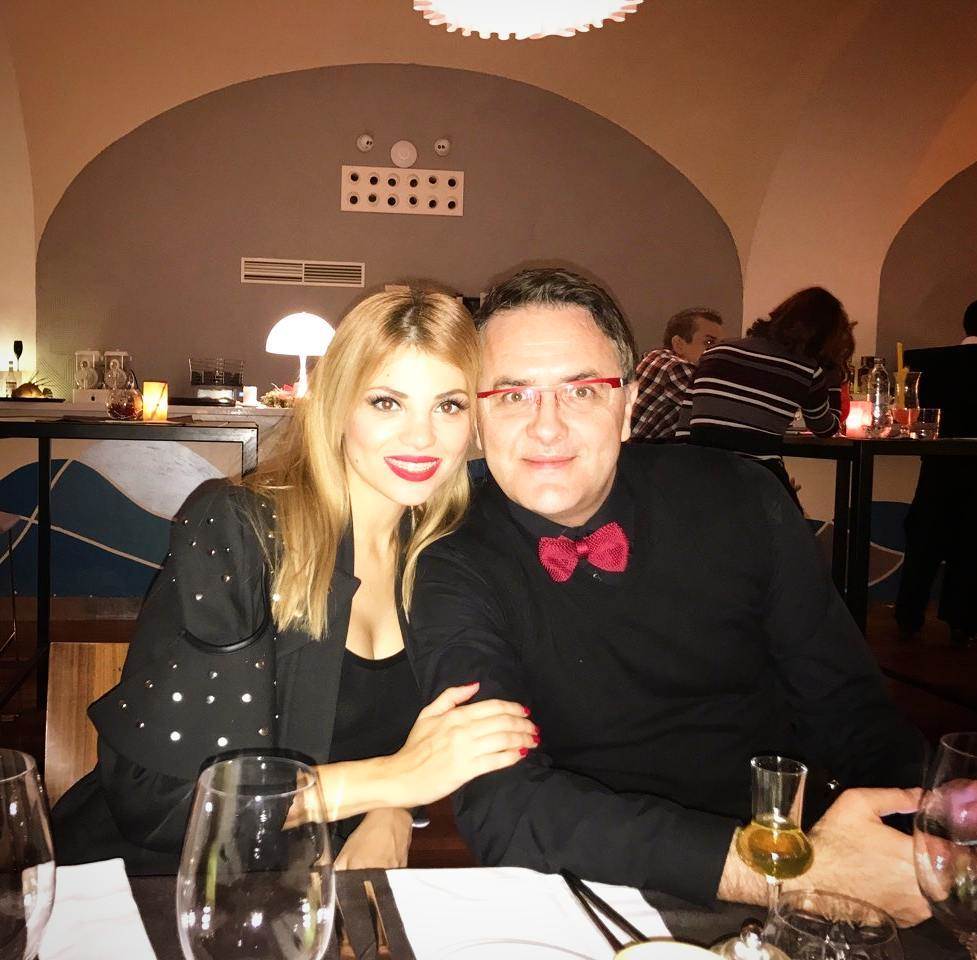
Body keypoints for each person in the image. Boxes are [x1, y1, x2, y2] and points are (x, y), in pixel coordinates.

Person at [408, 267, 929, 924]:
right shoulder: (450, 557)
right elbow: (504, 805)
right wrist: (779, 869)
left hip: (791, 848)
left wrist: (918, 828)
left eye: (581, 391)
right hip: (594, 884)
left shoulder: (741, 498)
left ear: (628, 406)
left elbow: (848, 707)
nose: (547, 428)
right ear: (478, 419)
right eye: (513, 395)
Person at [52, 289, 537, 873]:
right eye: (386, 402)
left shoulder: (443, 552)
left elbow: (415, 742)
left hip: (301, 883)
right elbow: (160, 802)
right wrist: (392, 783)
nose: (421, 437)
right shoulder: (241, 529)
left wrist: (391, 808)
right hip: (142, 885)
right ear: (337, 405)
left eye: (448, 405)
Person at [675, 287, 853, 503]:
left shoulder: (715, 353)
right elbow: (826, 428)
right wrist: (833, 378)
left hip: (699, 481)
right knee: (793, 515)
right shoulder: (806, 370)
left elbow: (684, 427)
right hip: (757, 483)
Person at [895, 300, 977, 647]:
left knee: (924, 543)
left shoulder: (930, 363)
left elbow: (910, 412)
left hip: (937, 466)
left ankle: (908, 617)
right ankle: (962, 623)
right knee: (971, 546)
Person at [630, 308, 723, 441]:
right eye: (709, 342)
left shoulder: (659, 358)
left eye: (721, 345)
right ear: (678, 344)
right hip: (628, 450)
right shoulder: (673, 367)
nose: (718, 351)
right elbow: (718, 413)